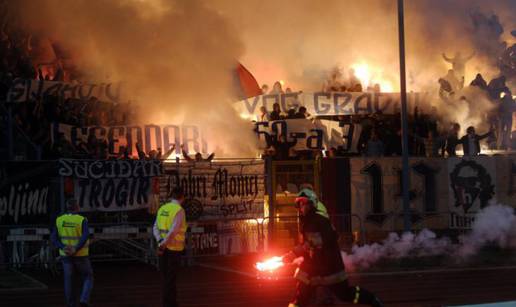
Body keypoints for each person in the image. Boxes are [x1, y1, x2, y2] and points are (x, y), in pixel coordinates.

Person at [282, 196, 383, 307]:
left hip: (330, 267)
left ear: (311, 205)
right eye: (299, 205)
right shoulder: (307, 222)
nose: (301, 208)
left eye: (303, 204)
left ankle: (371, 300)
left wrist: (294, 253)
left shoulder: (320, 221)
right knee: (301, 296)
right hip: (313, 266)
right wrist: (294, 255)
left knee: (345, 294)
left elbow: (320, 241)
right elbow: (308, 245)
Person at [51, 199, 93, 307]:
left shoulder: (59, 220)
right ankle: (84, 299)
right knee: (88, 276)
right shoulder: (82, 220)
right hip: (81, 255)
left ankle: (71, 304)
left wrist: (63, 247)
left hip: (65, 255)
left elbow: (54, 238)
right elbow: (85, 236)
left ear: (67, 207)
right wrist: (76, 248)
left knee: (68, 280)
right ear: (77, 207)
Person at [153, 187, 188, 307]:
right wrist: (163, 245)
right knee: (171, 278)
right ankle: (168, 303)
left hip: (162, 247)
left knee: (165, 277)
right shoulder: (179, 210)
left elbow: (155, 227)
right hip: (174, 249)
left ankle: (172, 302)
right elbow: (173, 231)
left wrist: (160, 242)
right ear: (182, 197)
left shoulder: (162, 208)